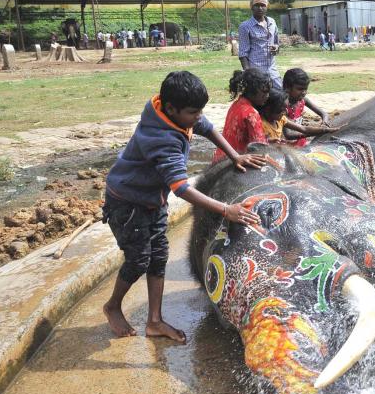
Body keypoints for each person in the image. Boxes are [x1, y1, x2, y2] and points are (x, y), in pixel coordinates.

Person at [102, 71, 268, 343]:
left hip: (152, 199)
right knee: (139, 259)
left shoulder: (176, 115)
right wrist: (227, 210)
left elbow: (208, 127)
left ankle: (154, 321)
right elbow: (181, 188)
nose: (198, 117)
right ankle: (112, 306)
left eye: (199, 110)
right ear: (171, 109)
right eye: (193, 112)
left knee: (159, 256)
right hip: (127, 204)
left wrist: (235, 155)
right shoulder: (162, 139)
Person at [213, 68, 272, 164]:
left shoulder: (236, 104)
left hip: (221, 157)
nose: (267, 96)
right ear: (251, 91)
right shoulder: (251, 113)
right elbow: (260, 147)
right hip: (236, 160)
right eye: (264, 92)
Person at [259, 90, 339, 146]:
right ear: (268, 110)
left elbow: (303, 129)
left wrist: (324, 130)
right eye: (281, 109)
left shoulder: (281, 119)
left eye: (286, 108)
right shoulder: (262, 125)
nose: (286, 111)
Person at [238, 0, 281, 89]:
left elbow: (277, 43)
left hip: (272, 70)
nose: (260, 8)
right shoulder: (245, 26)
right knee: (259, 100)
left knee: (281, 95)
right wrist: (248, 74)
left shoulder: (272, 22)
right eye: (256, 5)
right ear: (251, 7)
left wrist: (276, 47)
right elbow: (243, 54)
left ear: (267, 7)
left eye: (263, 5)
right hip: (256, 72)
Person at [283, 68, 332, 148]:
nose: (304, 92)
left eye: (305, 89)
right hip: (286, 147)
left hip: (301, 141)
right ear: (287, 88)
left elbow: (324, 114)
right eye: (300, 89)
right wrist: (315, 131)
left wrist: (324, 123)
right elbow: (288, 134)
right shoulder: (282, 105)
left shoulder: (302, 101)